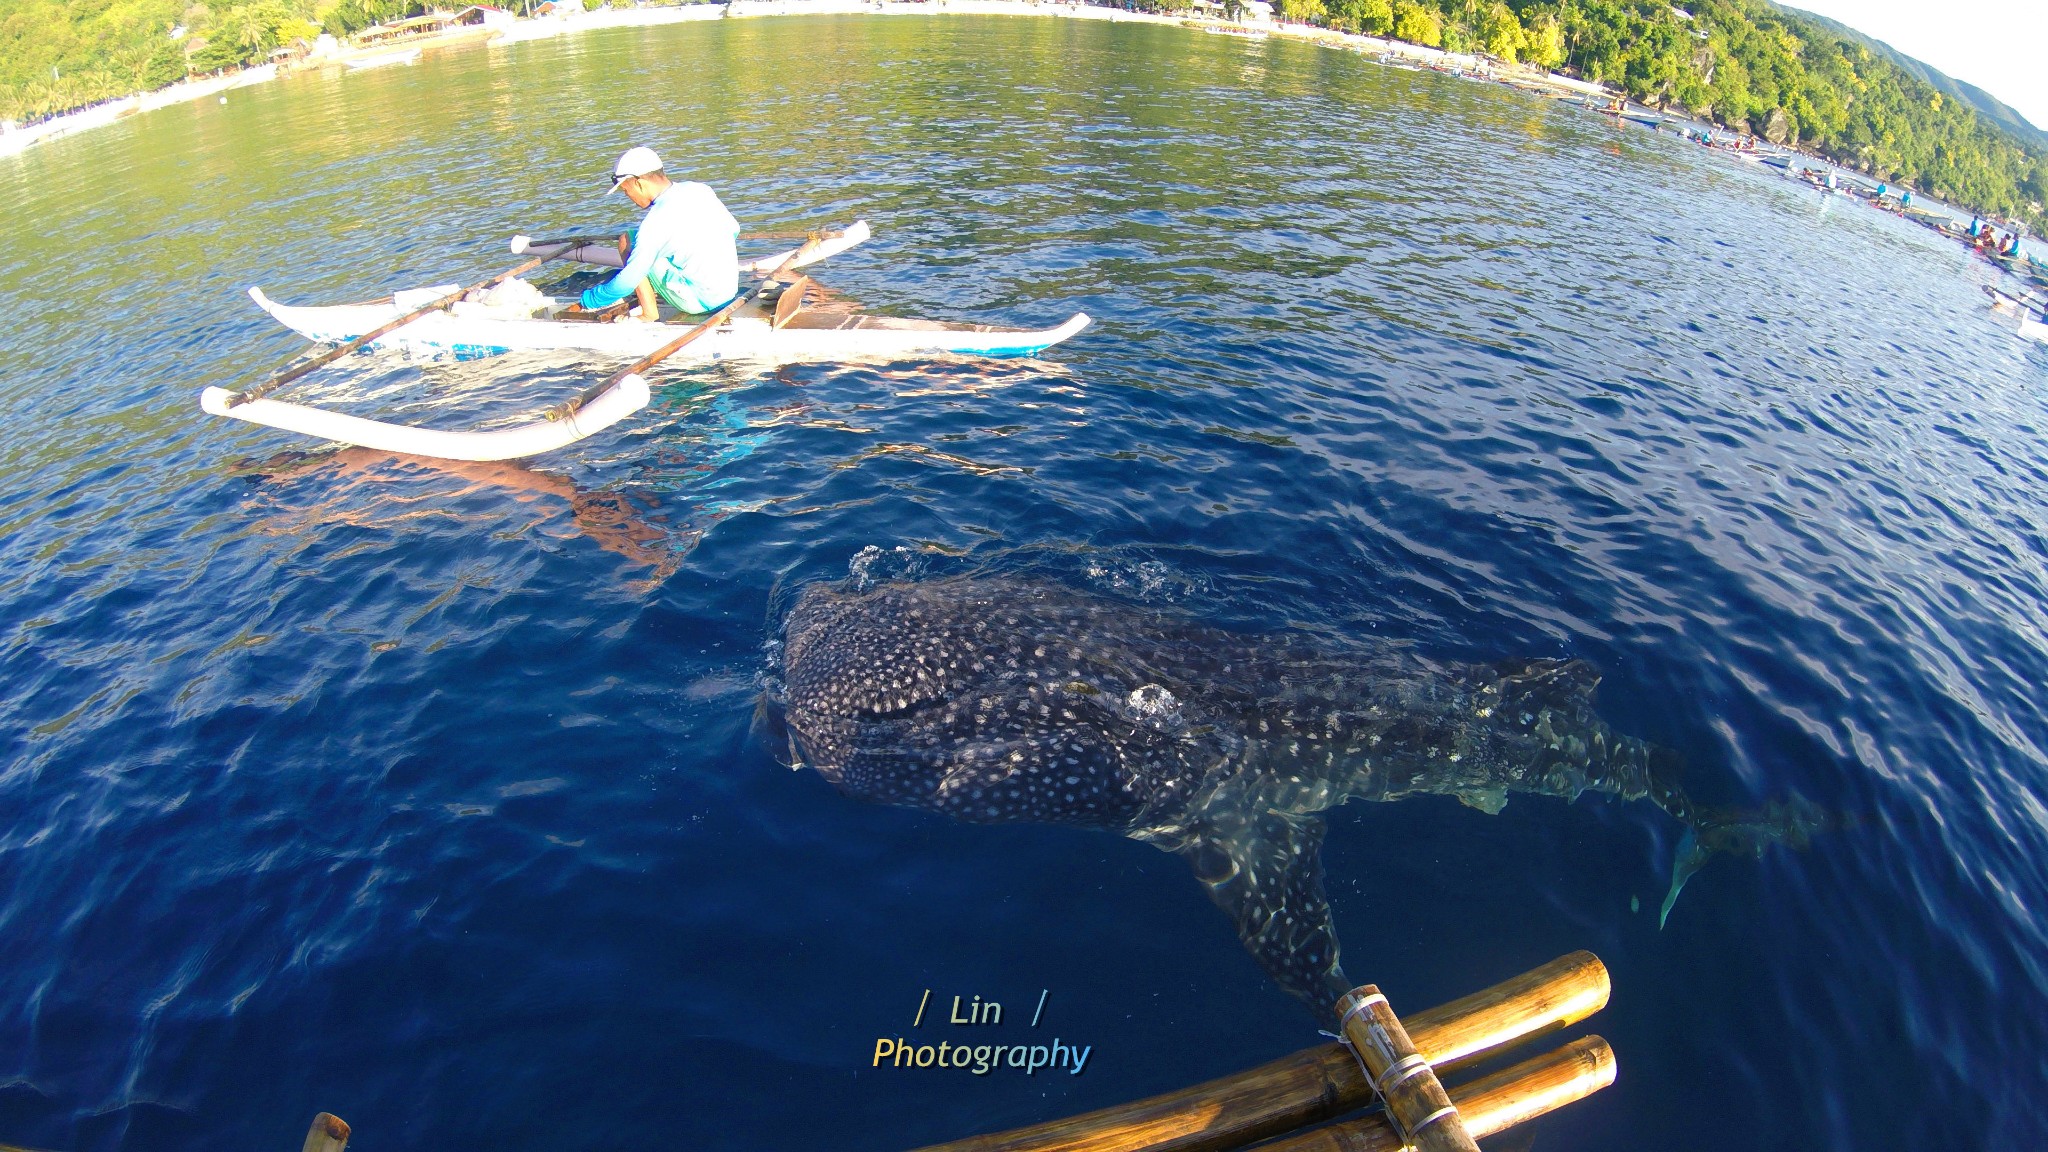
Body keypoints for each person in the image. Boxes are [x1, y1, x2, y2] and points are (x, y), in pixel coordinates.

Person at [573, 146, 740, 320]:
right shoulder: (700, 190)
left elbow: (626, 283)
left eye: (626, 191)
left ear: (638, 182)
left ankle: (649, 313)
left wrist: (590, 299)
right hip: (729, 293)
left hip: (700, 303)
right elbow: (734, 230)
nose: (628, 196)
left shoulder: (654, 223)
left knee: (627, 240)